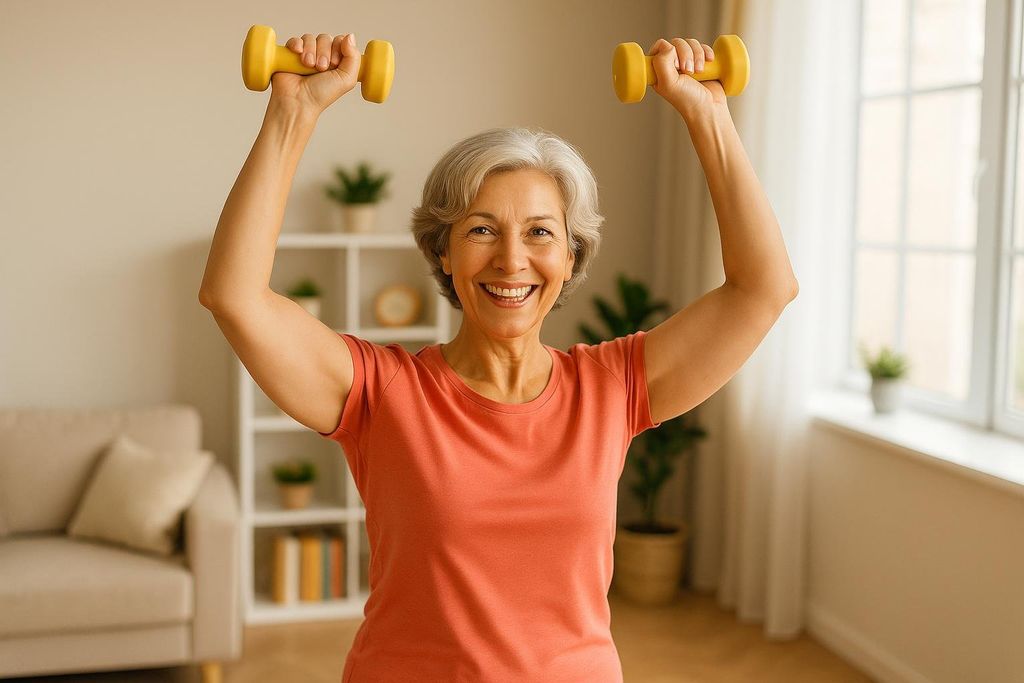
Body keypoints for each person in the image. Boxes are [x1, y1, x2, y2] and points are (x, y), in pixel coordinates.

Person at [199, 30, 798, 683]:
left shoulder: (614, 386)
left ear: (570, 258)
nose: (512, 259)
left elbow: (763, 288)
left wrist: (708, 114)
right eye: (481, 229)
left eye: (540, 232)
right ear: (444, 254)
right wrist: (292, 113)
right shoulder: (381, 391)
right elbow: (234, 296)